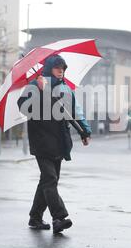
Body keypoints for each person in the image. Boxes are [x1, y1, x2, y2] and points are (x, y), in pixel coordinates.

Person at [17, 54, 92, 234]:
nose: (61, 71)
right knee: (50, 179)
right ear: (50, 68)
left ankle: (35, 217)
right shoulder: (35, 85)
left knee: (48, 181)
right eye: (58, 68)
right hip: (41, 141)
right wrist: (41, 92)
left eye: (63, 68)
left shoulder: (65, 89)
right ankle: (59, 217)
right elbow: (23, 107)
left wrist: (85, 131)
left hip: (59, 141)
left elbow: (75, 111)